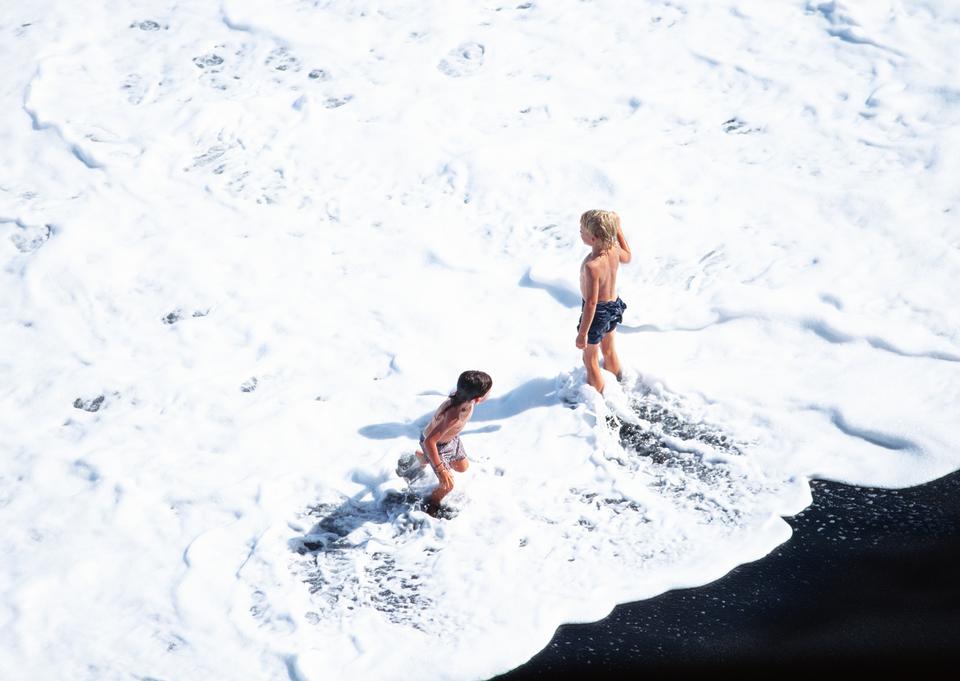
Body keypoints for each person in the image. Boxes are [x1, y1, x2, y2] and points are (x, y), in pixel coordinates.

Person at [396, 370, 493, 515]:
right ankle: (431, 504)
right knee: (448, 485)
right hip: (434, 444)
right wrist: (441, 470)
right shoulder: (454, 415)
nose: (490, 393)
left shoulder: (463, 396)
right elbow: (430, 441)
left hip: (451, 440)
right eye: (489, 392)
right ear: (478, 399)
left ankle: (422, 457)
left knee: (462, 467)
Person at [576, 209, 631, 394]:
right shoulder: (613, 250)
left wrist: (583, 333)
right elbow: (628, 257)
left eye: (583, 231)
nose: (580, 232)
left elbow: (591, 303)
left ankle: (600, 399)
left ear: (594, 238)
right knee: (608, 349)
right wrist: (618, 229)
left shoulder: (593, 266)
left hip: (597, 312)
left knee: (589, 359)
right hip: (614, 306)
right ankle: (620, 385)